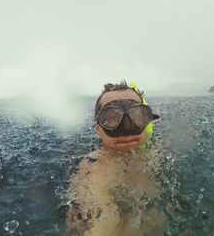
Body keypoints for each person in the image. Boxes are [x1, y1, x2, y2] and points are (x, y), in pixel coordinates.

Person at [66, 80, 165, 236]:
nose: (126, 127)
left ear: (147, 122)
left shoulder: (158, 152)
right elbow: (103, 225)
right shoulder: (95, 168)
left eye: (137, 115)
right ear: (97, 129)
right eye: (111, 117)